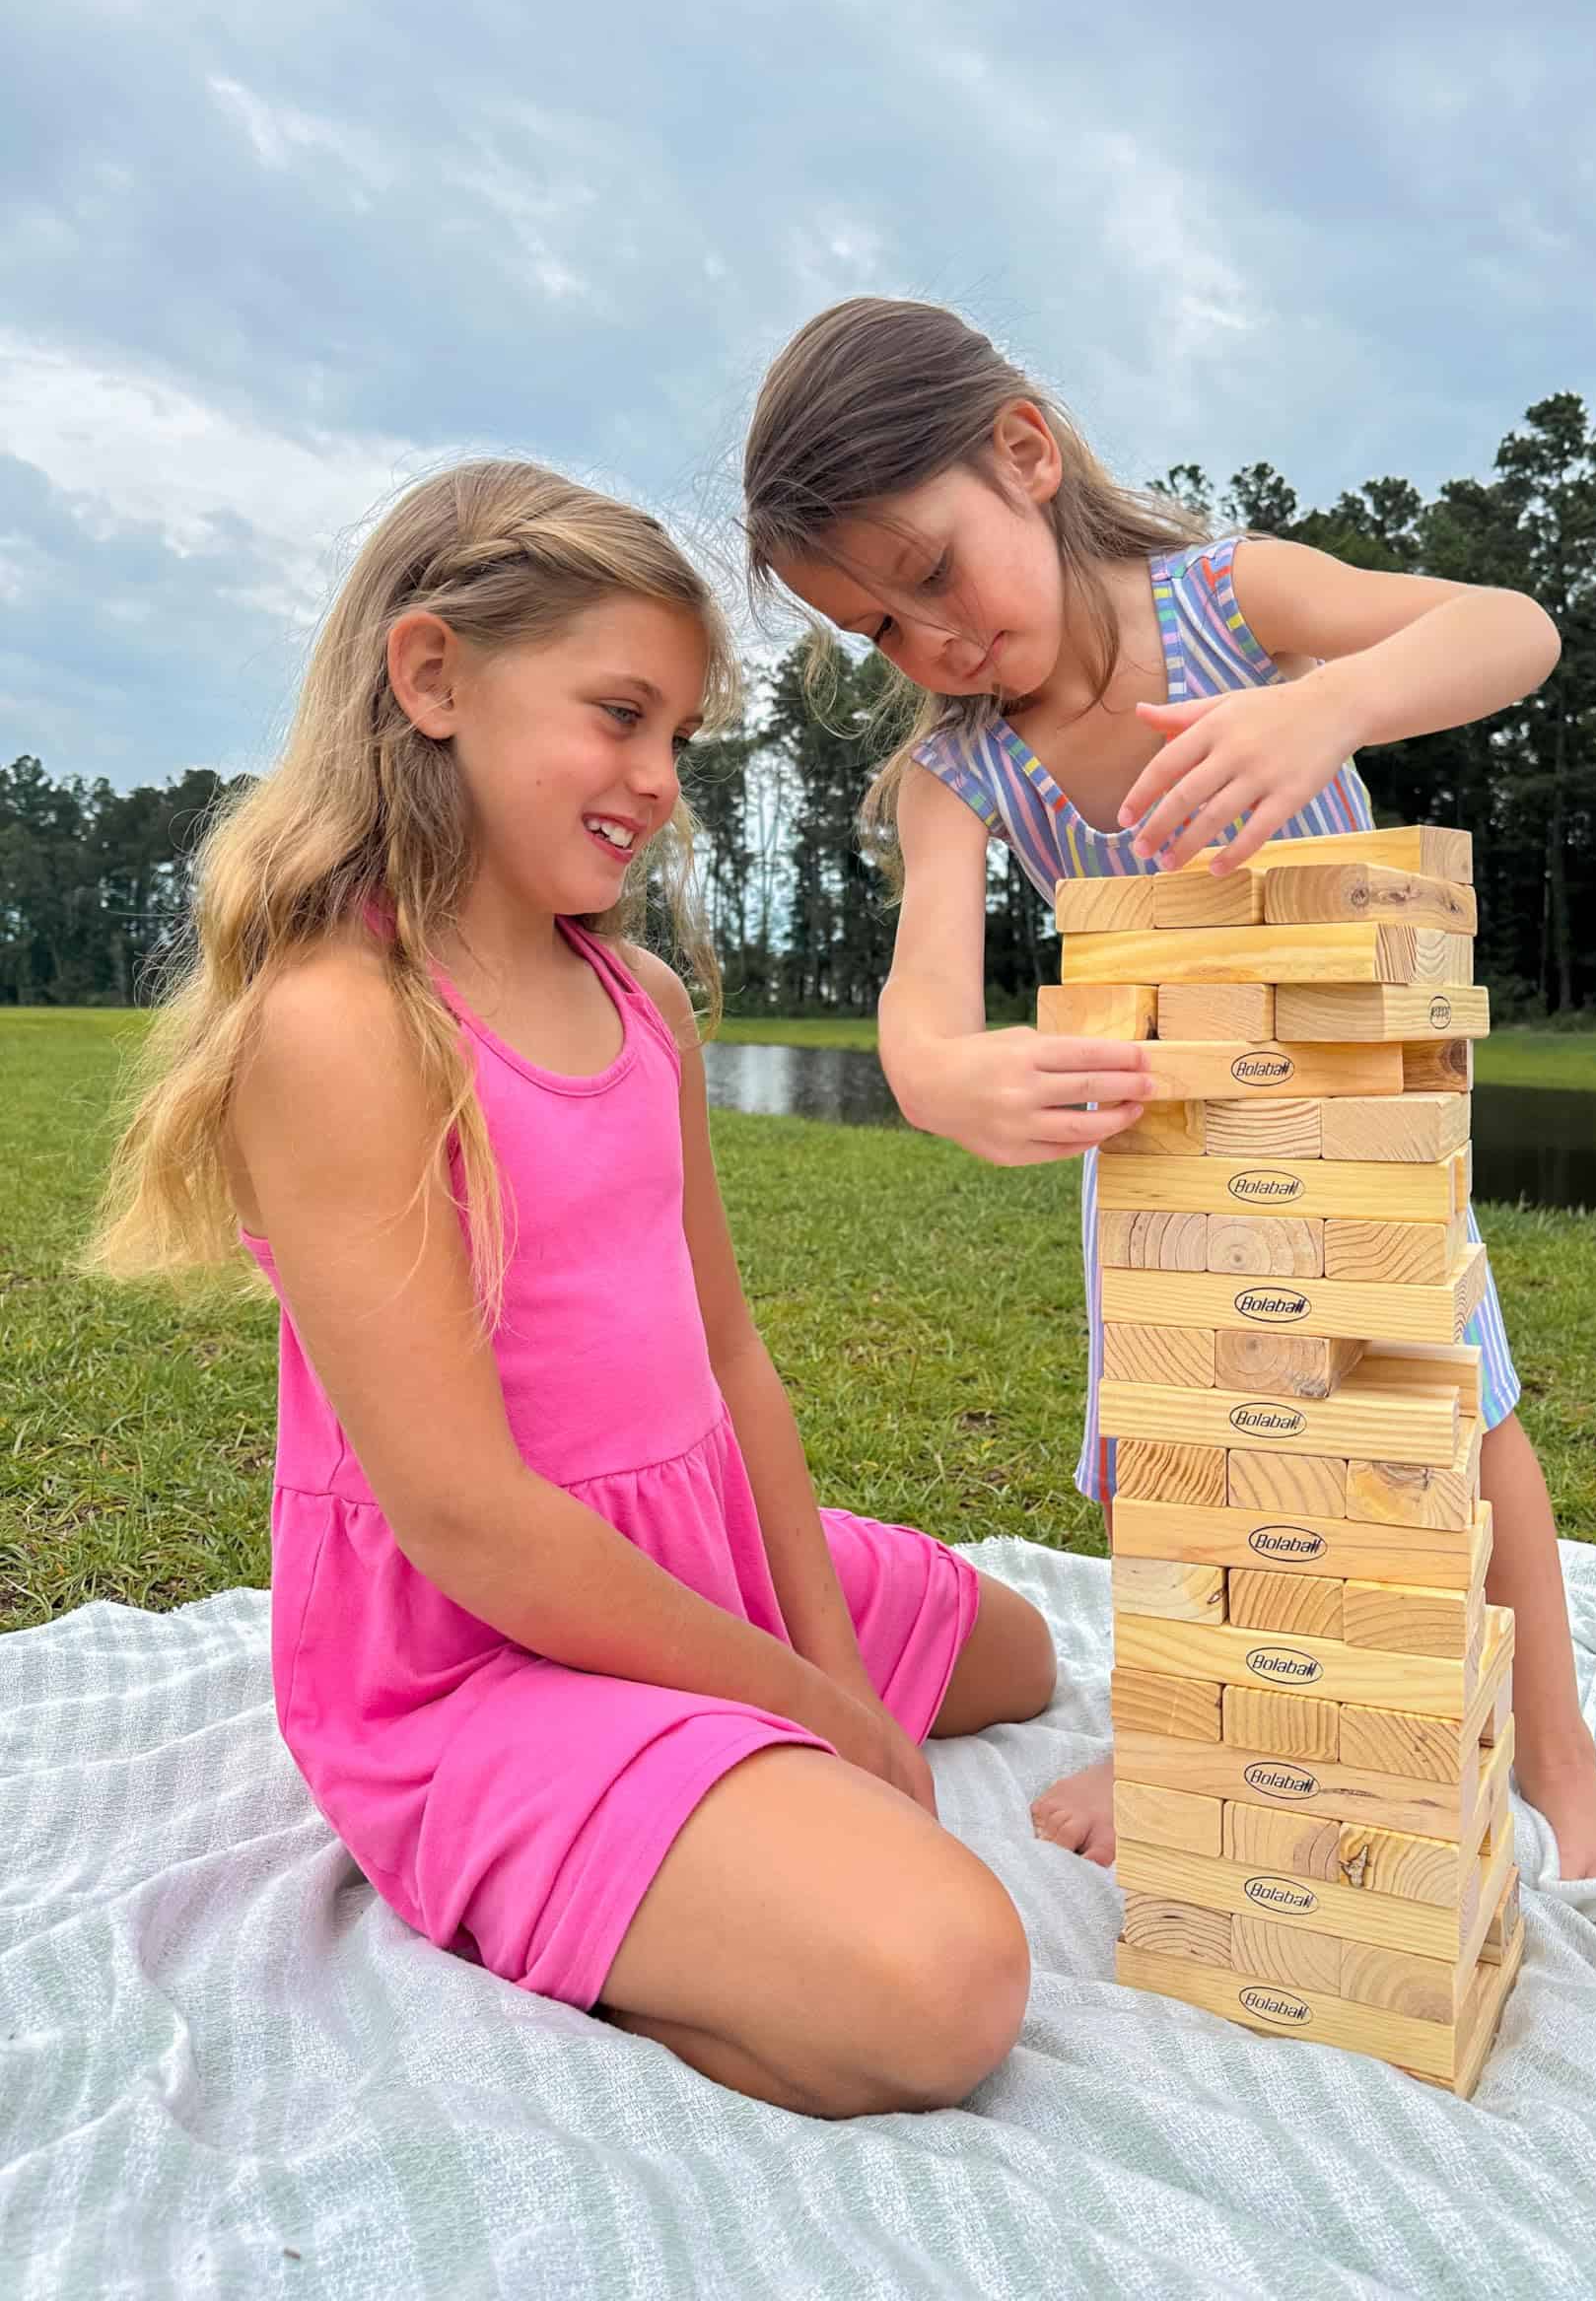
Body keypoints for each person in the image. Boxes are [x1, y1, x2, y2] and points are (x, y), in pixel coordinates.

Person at [89, 458, 1060, 2119]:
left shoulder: (644, 1008)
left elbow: (734, 1366)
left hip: (694, 1564)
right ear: (433, 677)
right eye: (619, 714)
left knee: (1019, 1659)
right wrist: (817, 1721)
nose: (657, 779)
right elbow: (467, 1521)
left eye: (678, 736)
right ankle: (572, 1878)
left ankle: (724, 1800)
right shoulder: (343, 1022)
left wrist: (823, 1663)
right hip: (484, 1653)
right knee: (941, 1982)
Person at [741, 298, 1596, 1888]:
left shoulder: (1236, 606)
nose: (933, 643)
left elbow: (1515, 627)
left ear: (1024, 455)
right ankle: (1183, 1725)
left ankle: (1566, 1778)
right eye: (880, 628)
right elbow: (919, 1010)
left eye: (931, 573)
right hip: (1160, 1154)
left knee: (1463, 1415)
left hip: (1363, 1122)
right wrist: (948, 1075)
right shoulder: (964, 770)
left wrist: (1330, 701)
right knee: (1180, 1454)